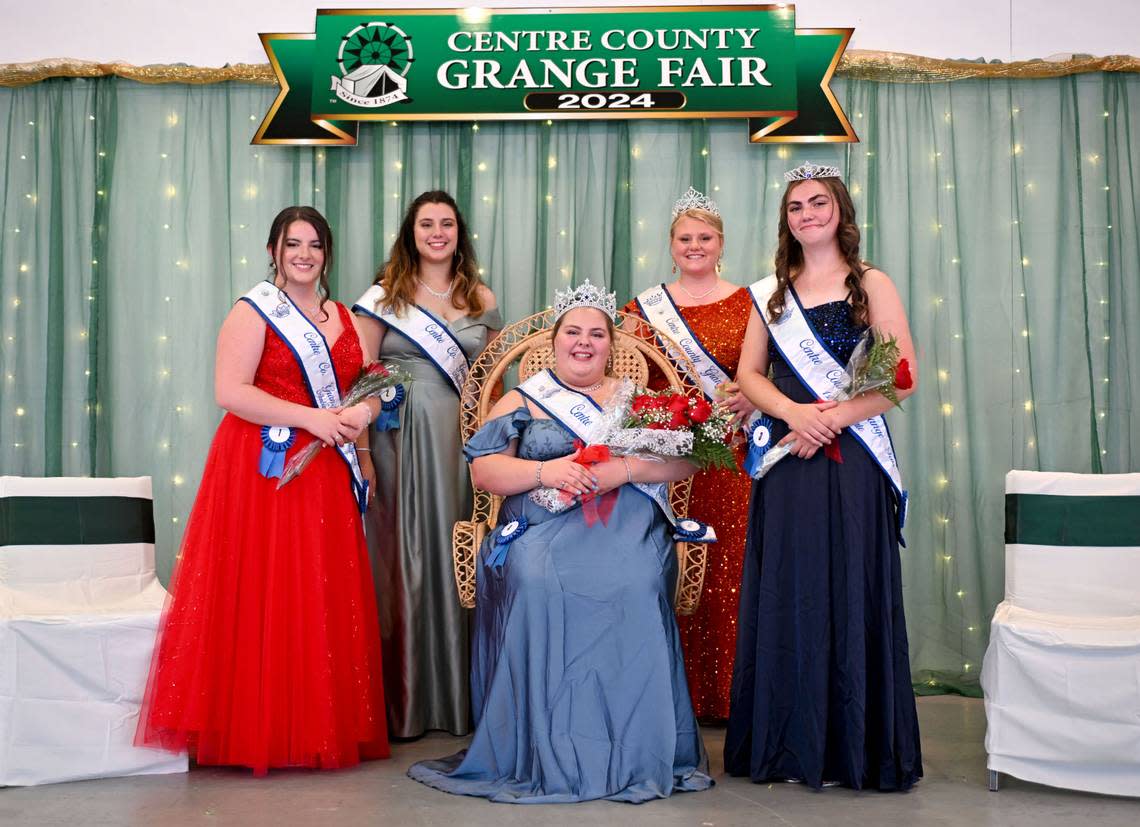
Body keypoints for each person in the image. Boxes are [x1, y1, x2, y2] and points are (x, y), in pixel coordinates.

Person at [408, 281, 713, 803]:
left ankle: (634, 750)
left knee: (638, 582)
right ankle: (549, 747)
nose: (584, 342)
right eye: (574, 332)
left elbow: (688, 459)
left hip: (626, 525)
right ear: (555, 340)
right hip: (545, 525)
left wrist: (623, 469)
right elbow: (485, 471)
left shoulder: (636, 399)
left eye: (597, 334)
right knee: (539, 579)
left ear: (610, 345)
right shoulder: (522, 397)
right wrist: (547, 471)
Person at [135, 206, 390, 774]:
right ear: (274, 250)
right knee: (267, 594)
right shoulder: (252, 312)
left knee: (314, 594)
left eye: (315, 245)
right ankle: (259, 730)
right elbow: (230, 391)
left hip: (327, 467)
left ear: (327, 253)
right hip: (264, 467)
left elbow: (365, 386)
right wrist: (313, 418)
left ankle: (317, 724)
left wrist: (364, 417)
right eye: (292, 243)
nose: (304, 254)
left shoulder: (344, 318)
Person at [724, 162, 921, 791]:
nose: (806, 214)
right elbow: (749, 374)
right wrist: (792, 415)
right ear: (786, 220)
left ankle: (854, 748)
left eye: (817, 203)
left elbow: (898, 375)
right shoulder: (771, 293)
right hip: (788, 458)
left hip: (852, 455)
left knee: (849, 582)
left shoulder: (872, 283)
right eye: (795, 207)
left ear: (839, 210)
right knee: (791, 584)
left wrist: (826, 422)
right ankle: (786, 745)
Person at [353, 190, 500, 738]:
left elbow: (492, 381)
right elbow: (359, 378)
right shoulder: (383, 297)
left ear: (458, 233)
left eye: (446, 224)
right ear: (409, 234)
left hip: (458, 441)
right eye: (425, 225)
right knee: (403, 554)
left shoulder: (479, 297)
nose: (436, 233)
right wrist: (364, 454)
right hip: (394, 439)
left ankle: (457, 697)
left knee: (456, 550)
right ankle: (406, 701)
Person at [622, 186, 757, 721]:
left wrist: (750, 396)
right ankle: (674, 690)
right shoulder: (643, 308)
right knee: (670, 566)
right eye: (685, 238)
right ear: (671, 245)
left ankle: (732, 693)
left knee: (733, 566)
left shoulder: (752, 302)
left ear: (720, 244)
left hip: (735, 452)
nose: (695, 246)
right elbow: (629, 385)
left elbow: (767, 373)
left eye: (705, 238)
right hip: (671, 458)